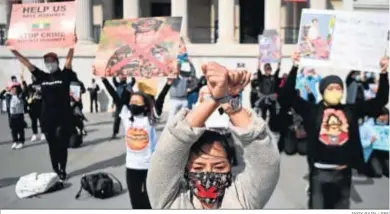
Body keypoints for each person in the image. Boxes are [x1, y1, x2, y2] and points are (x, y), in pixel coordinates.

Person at [147, 62, 280, 209]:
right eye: (198, 168)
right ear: (185, 169)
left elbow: (267, 162)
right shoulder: (172, 203)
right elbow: (166, 155)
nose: (208, 174)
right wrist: (215, 98)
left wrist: (227, 100)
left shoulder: (243, 200)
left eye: (219, 167)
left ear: (230, 167)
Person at [282, 52, 389, 209]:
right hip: (319, 174)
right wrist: (295, 67)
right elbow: (287, 96)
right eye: (331, 88)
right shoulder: (311, 110)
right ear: (323, 91)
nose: (335, 91)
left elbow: (379, 101)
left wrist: (384, 73)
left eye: (338, 88)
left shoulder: (351, 110)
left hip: (343, 174)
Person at [9, 37, 78, 181]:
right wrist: (14, 51)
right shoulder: (42, 76)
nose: (49, 64)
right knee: (52, 145)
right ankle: (55, 169)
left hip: (63, 118)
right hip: (47, 119)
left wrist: (72, 45)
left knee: (62, 144)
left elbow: (69, 60)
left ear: (57, 62)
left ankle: (63, 169)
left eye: (52, 61)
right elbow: (27, 64)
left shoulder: (64, 74)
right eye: (47, 61)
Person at [253, 62, 281, 131]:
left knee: (273, 115)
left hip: (272, 99)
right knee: (263, 115)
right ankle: (262, 129)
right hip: (263, 99)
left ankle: (273, 128)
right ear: (264, 70)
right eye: (267, 69)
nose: (268, 70)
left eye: (269, 69)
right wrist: (259, 60)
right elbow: (258, 70)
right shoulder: (261, 77)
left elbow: (278, 70)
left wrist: (279, 62)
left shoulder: (273, 77)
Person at [7, 81, 27, 149]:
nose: (13, 90)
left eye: (14, 89)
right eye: (12, 89)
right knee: (13, 130)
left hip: (19, 115)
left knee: (20, 130)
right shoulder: (10, 96)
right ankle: (15, 141)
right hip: (12, 115)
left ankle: (21, 142)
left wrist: (23, 83)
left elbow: (25, 90)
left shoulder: (20, 96)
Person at [26, 75, 45, 142]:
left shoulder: (42, 85)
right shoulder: (30, 86)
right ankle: (35, 134)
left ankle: (43, 133)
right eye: (33, 77)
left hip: (40, 105)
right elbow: (26, 94)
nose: (34, 78)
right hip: (32, 106)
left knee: (42, 121)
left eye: (35, 76)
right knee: (33, 121)